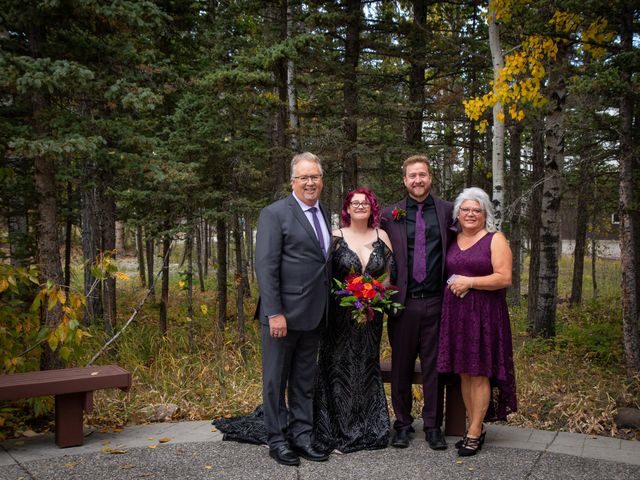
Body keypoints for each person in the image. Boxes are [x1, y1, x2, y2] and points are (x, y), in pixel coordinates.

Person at [254, 152, 331, 466]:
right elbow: (266, 266)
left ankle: (302, 438)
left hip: (313, 316)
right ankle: (277, 440)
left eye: (315, 177)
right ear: (292, 181)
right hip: (281, 317)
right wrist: (274, 313)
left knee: (303, 382)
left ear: (321, 180)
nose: (310, 183)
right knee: (275, 382)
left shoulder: (323, 211)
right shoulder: (274, 214)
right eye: (304, 178)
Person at [380, 155, 454, 451]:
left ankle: (433, 425)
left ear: (430, 177)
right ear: (405, 180)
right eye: (412, 176)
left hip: (437, 302)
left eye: (422, 174)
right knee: (401, 365)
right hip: (403, 303)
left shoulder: (448, 211)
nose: (418, 180)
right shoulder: (389, 214)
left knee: (435, 367)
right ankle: (403, 424)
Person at [437, 187, 517, 457]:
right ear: (458, 213)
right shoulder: (453, 238)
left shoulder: (495, 239)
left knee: (480, 372)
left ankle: (473, 432)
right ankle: (475, 425)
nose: (470, 214)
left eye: (476, 210)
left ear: (485, 214)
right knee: (464, 371)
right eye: (465, 209)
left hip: (484, 315)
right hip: (456, 315)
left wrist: (470, 281)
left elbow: (504, 278)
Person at [313, 187, 394, 453]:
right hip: (339, 316)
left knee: (365, 364)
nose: (360, 206)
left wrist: (378, 297)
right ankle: (339, 428)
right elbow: (323, 276)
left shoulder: (382, 237)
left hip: (371, 317)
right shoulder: (335, 237)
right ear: (346, 209)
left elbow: (388, 278)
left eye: (365, 203)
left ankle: (369, 425)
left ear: (372, 208)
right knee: (338, 367)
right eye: (354, 203)